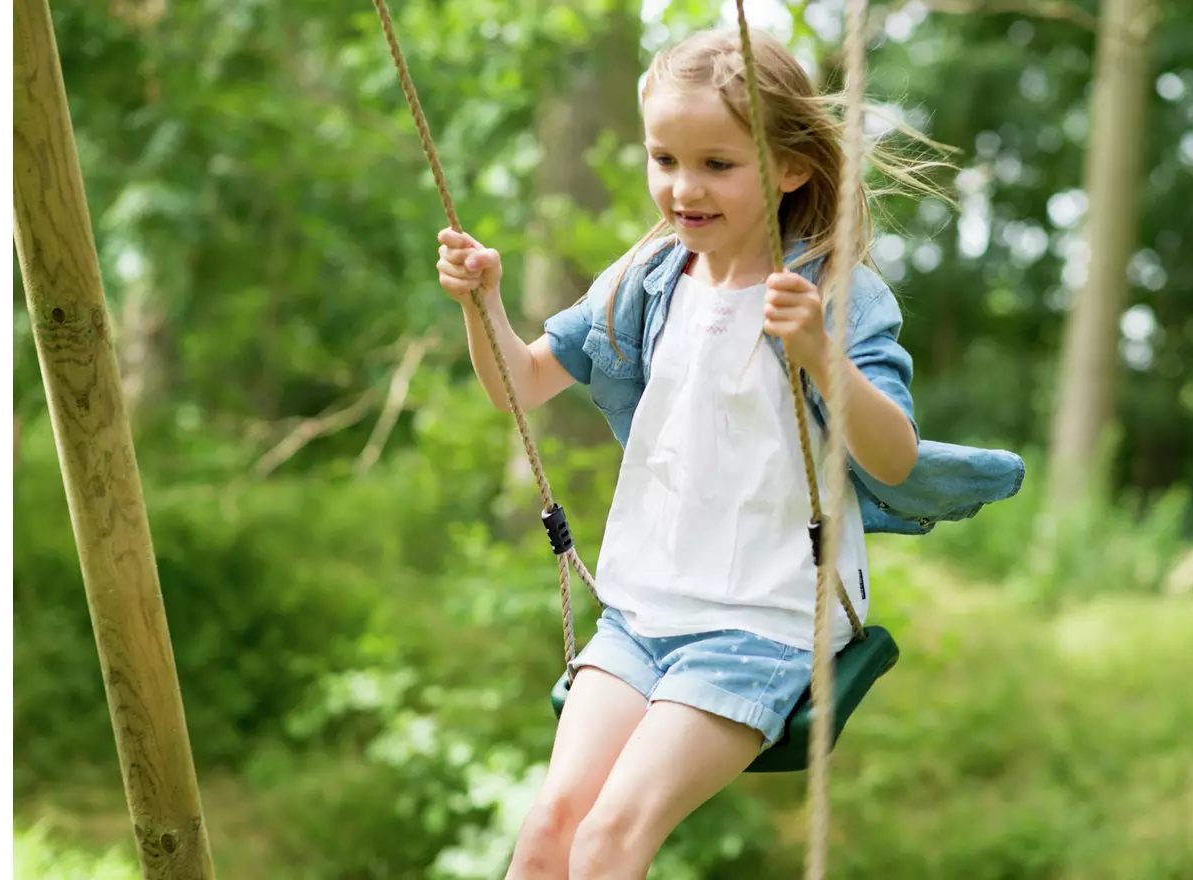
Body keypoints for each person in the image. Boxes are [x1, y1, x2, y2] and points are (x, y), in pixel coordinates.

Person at [435, 26, 1023, 880]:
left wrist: (822, 354)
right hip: (640, 617)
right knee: (550, 831)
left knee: (607, 840)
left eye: (717, 164)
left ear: (790, 168)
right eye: (665, 159)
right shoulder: (647, 281)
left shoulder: (836, 294)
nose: (683, 188)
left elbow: (893, 458)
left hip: (762, 625)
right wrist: (481, 301)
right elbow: (517, 383)